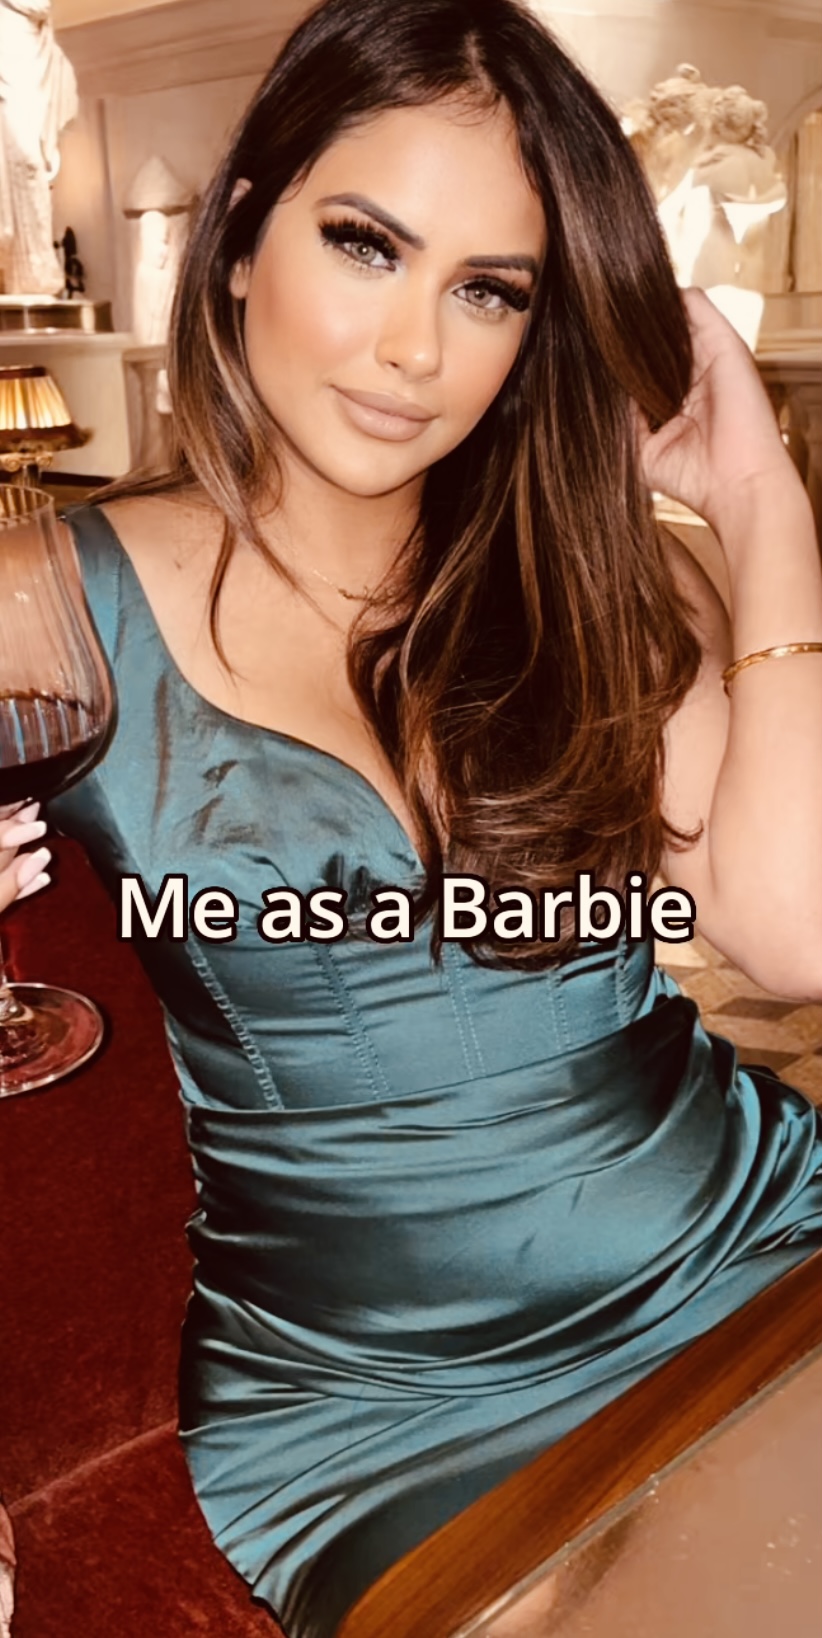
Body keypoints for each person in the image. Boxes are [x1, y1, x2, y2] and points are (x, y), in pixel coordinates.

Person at [2, 1, 822, 1633]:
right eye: (365, 245)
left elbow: (794, 937)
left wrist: (755, 505)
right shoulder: (46, 597)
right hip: (379, 1404)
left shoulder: (596, 575)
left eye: (486, 289)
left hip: (752, 1246)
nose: (413, 352)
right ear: (241, 238)